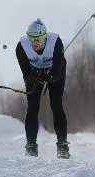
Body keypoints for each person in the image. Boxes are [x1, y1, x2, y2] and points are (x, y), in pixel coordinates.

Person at [15, 18, 70, 158]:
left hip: (54, 70)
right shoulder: (21, 47)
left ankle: (63, 146)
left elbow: (58, 69)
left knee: (56, 104)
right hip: (34, 71)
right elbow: (26, 74)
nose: (35, 42)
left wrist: (51, 76)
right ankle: (31, 146)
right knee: (33, 106)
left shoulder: (55, 41)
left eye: (38, 38)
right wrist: (31, 78)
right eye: (32, 39)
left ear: (45, 36)